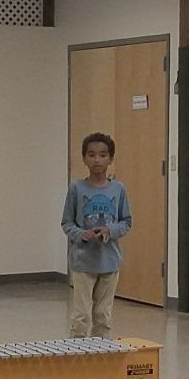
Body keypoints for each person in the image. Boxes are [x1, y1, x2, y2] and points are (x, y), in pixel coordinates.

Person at [62, 132, 130, 338]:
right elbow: (66, 222)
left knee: (103, 315)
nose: (97, 160)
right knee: (81, 315)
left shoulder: (118, 189)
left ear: (110, 159)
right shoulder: (76, 187)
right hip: (83, 261)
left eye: (102, 155)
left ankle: (101, 354)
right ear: (84, 158)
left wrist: (110, 230)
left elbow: (126, 221)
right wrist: (82, 234)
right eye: (91, 155)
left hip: (109, 261)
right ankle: (77, 355)